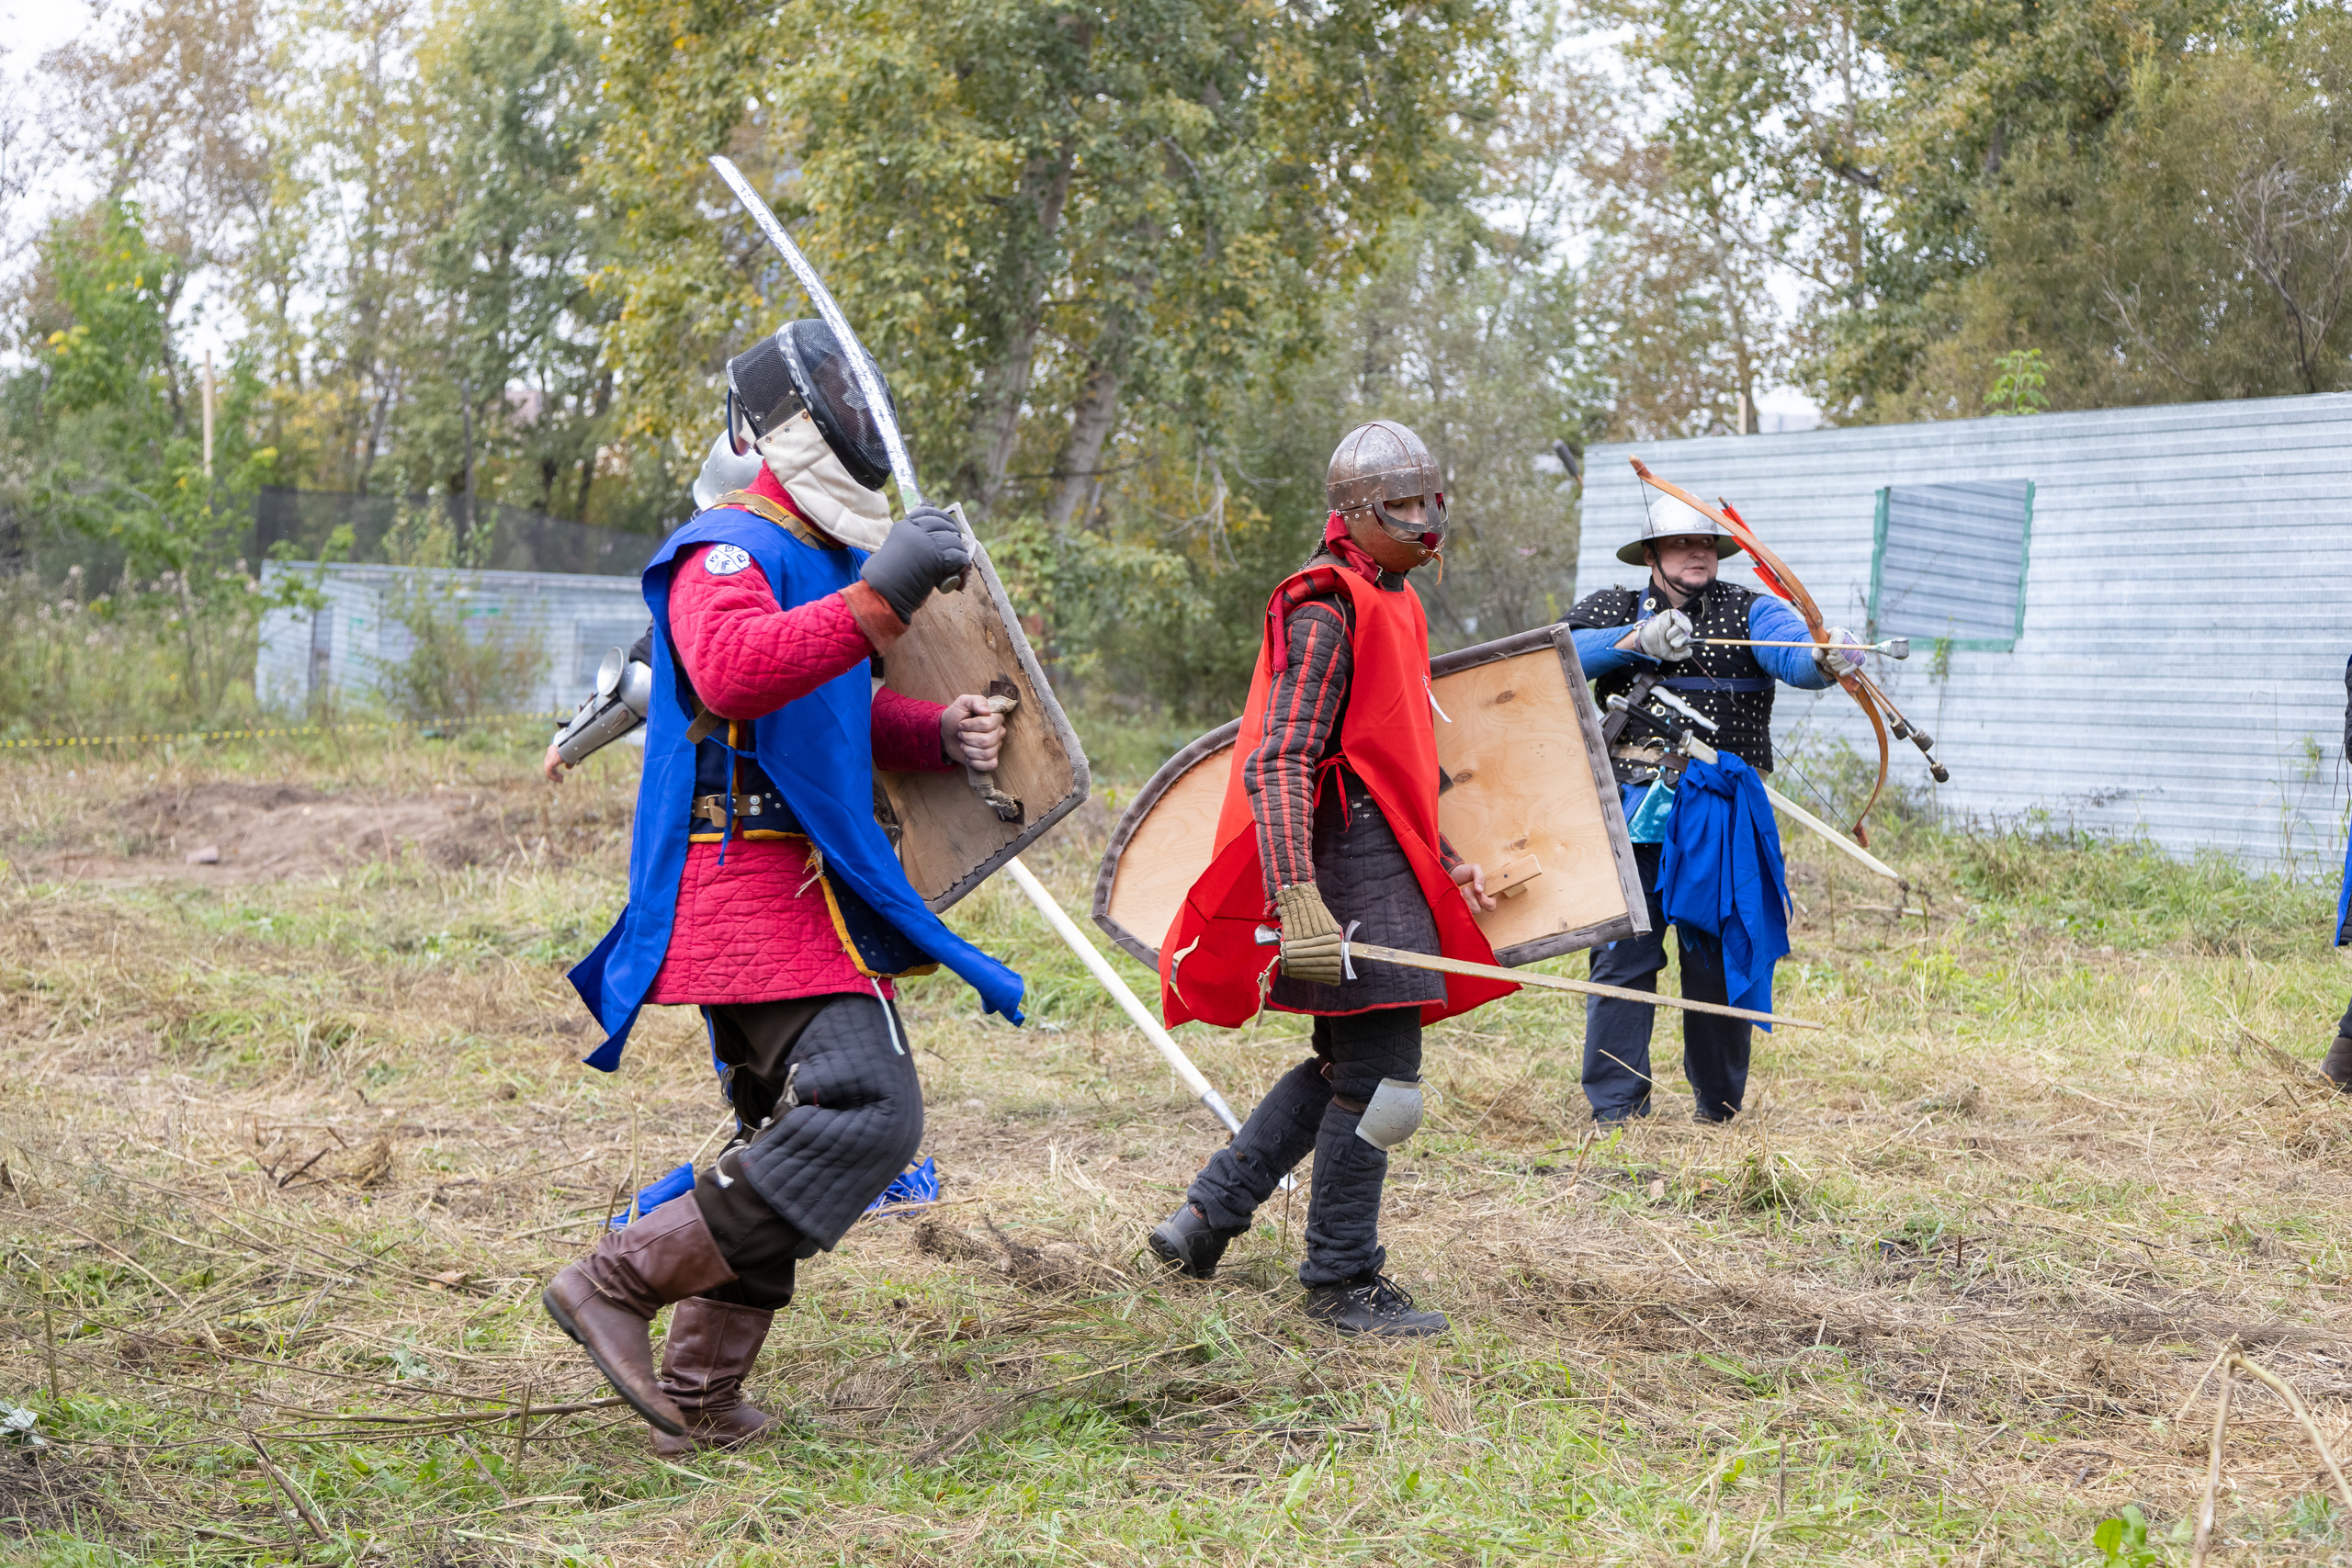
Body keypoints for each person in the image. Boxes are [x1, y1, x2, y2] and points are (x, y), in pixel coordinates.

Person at [541, 318, 1026, 1455]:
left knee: (785, 1129)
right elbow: (729, 672)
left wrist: (933, 730)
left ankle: (699, 1395)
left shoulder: (818, 563)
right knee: (867, 1111)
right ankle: (615, 1281)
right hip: (751, 887)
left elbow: (824, 713)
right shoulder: (724, 546)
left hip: (804, 889)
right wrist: (881, 602)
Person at [1143, 420, 1514, 1337]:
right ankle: (1341, 1278)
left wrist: (1443, 854)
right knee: (1386, 1083)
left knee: (1347, 1066)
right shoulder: (1325, 605)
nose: (1423, 521)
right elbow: (1280, 759)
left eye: (1430, 500)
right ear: (1355, 511)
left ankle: (1207, 1216)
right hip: (1339, 869)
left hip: (1384, 855)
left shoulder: (1395, 599)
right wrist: (1296, 897)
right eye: (1402, 504)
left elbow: (1391, 750)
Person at [1564, 496, 1861, 1124]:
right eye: (1680, 543)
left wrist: (1822, 656)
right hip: (1631, 814)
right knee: (1623, 961)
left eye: (1705, 543)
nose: (1697, 552)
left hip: (1718, 820)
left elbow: (1790, 652)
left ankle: (1718, 1109)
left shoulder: (1754, 609)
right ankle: (1617, 1112)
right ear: (1652, 555)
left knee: (1715, 962)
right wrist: (1635, 640)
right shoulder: (1614, 607)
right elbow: (1559, 655)